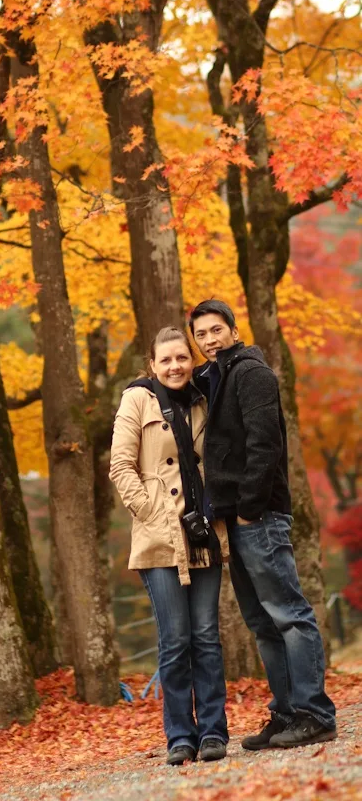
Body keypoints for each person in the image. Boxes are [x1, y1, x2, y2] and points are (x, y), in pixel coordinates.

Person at [189, 299, 337, 750]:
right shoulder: (215, 377)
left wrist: (251, 507)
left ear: (234, 330)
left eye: (217, 330)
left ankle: (315, 713)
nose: (209, 340)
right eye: (201, 334)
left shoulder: (252, 374)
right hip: (234, 517)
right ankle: (287, 711)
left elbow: (265, 444)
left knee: (289, 615)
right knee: (261, 621)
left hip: (259, 514)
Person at [110, 326, 229, 766]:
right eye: (167, 360)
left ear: (190, 360)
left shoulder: (203, 399)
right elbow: (121, 466)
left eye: (182, 358)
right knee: (175, 639)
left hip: (203, 534)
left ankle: (214, 731)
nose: (175, 366)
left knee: (206, 637)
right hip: (160, 537)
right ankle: (180, 734)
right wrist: (153, 514)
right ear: (153, 364)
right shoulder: (137, 400)